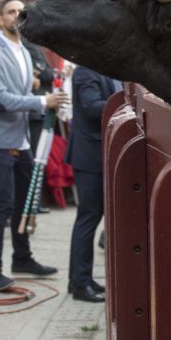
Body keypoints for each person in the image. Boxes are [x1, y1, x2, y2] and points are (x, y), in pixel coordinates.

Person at [0, 0, 64, 291]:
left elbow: (18, 90)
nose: (17, 16)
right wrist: (42, 101)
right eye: (11, 12)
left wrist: (37, 93)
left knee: (24, 202)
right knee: (1, 206)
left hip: (20, 138)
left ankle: (22, 257)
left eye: (20, 11)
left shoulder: (25, 51)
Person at [65, 65, 120, 303]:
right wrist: (127, 105)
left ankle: (78, 278)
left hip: (99, 154)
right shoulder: (85, 71)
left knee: (89, 218)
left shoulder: (108, 70)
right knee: (88, 218)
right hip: (89, 157)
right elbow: (91, 107)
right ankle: (80, 284)